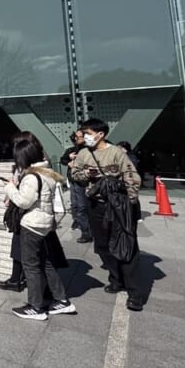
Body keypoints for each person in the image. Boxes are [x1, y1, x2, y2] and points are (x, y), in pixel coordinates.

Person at [73, 118, 144, 312]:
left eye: (87, 133)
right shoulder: (83, 154)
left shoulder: (116, 153)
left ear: (100, 134)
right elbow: (75, 175)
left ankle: (135, 293)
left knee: (126, 246)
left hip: (118, 205)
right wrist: (87, 174)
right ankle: (116, 278)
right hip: (96, 205)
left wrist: (130, 201)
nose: (85, 137)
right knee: (103, 245)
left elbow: (131, 175)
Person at [4, 138, 77, 320]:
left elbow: (23, 201)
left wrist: (10, 188)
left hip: (32, 224)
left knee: (31, 266)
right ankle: (61, 300)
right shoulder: (47, 173)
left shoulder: (31, 177)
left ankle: (35, 307)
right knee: (46, 263)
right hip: (45, 223)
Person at [0, 131, 68, 293]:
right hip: (33, 214)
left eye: (17, 144)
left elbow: (25, 199)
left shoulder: (36, 167)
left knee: (37, 257)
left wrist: (11, 188)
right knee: (24, 249)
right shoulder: (34, 163)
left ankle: (40, 295)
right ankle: (19, 280)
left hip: (32, 215)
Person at [60, 130, 92, 243]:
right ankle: (78, 221)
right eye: (75, 137)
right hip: (73, 180)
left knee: (82, 206)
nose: (77, 139)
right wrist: (68, 159)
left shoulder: (88, 149)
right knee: (75, 204)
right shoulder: (71, 149)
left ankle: (87, 232)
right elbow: (62, 160)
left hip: (83, 181)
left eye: (80, 137)